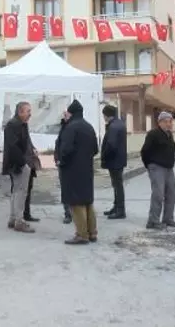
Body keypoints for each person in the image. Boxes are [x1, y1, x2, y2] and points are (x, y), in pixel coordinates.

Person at [58, 100, 99, 245]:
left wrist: (60, 161)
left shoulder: (71, 127)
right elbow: (95, 149)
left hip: (72, 169)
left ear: (71, 113)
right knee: (88, 201)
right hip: (87, 168)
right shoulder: (89, 127)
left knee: (76, 202)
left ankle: (82, 234)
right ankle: (92, 232)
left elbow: (66, 149)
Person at [141, 112, 175, 230]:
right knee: (158, 194)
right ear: (160, 122)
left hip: (168, 169)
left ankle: (168, 218)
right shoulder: (153, 134)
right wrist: (149, 166)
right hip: (157, 168)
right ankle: (153, 221)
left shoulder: (169, 135)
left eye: (170, 121)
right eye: (166, 122)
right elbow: (144, 151)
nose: (169, 124)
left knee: (172, 193)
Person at [2, 102, 36, 233]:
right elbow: (13, 146)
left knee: (16, 191)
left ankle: (13, 218)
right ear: (20, 112)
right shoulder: (13, 125)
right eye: (28, 111)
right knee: (21, 192)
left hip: (18, 163)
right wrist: (23, 163)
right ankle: (19, 221)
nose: (30, 114)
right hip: (18, 164)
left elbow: (25, 142)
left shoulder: (21, 124)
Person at [101, 105, 128, 219]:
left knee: (117, 185)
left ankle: (120, 210)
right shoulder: (119, 124)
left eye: (104, 115)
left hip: (114, 160)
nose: (103, 117)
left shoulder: (113, 127)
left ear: (106, 115)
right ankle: (116, 207)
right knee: (117, 185)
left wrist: (104, 157)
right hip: (119, 159)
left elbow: (111, 145)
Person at [54, 111, 73, 224]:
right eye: (64, 115)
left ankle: (74, 212)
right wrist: (57, 158)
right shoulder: (64, 128)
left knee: (72, 189)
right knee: (65, 189)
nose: (64, 117)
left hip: (71, 164)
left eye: (67, 115)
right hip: (62, 163)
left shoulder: (73, 128)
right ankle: (68, 213)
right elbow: (58, 144)